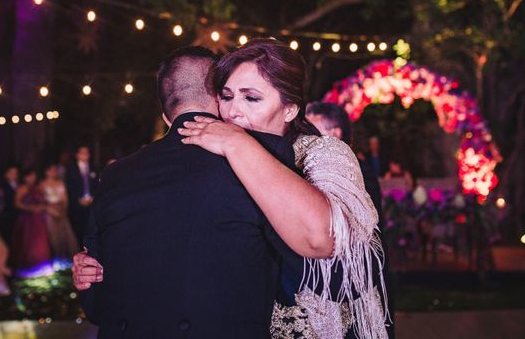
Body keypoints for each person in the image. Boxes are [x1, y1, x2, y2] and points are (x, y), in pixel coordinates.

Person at [75, 41, 388, 338]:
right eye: (227, 96)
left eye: (251, 98)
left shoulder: (319, 154)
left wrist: (237, 144)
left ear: (290, 109)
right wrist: (95, 270)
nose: (235, 111)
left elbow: (341, 254)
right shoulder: (226, 156)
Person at [306, 101, 394, 338]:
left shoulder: (354, 168)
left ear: (335, 132)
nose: (302, 135)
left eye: (310, 128)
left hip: (352, 279)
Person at [10, 168, 51, 276]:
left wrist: (41, 206)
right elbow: (17, 204)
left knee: (40, 241)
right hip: (27, 219)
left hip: (38, 218)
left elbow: (44, 200)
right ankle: (29, 266)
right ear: (25, 177)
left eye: (33, 176)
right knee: (27, 240)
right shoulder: (22, 188)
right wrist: (30, 208)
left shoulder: (39, 187)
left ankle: (41, 265)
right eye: (30, 176)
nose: (32, 178)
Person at [40, 164, 79, 265]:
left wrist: (64, 210)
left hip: (61, 211)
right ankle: (54, 258)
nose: (54, 172)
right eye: (51, 170)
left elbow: (65, 198)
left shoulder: (61, 183)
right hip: (50, 211)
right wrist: (50, 209)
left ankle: (64, 259)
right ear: (46, 172)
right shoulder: (43, 184)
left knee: (64, 234)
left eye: (55, 170)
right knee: (52, 235)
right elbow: (41, 200)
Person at [66, 146, 98, 243]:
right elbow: (69, 186)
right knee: (78, 229)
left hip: (91, 203)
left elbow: (98, 184)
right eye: (82, 152)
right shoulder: (71, 169)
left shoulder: (94, 168)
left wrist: (93, 197)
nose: (85, 155)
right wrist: (78, 199)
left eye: (87, 152)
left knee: (90, 228)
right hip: (77, 204)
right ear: (77, 155)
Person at [0, 165, 20, 248]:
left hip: (19, 214)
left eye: (15, 173)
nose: (14, 175)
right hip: (8, 215)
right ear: (6, 175)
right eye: (11, 173)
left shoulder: (20, 185)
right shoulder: (3, 187)